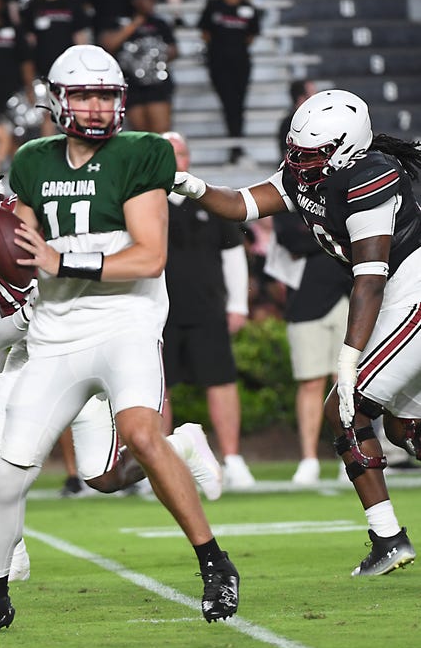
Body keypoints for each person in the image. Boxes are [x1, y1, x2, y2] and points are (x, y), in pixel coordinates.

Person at [0, 45, 239, 635]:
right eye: (84, 95)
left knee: (138, 434)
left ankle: (215, 562)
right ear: (58, 99)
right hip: (55, 333)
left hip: (125, 321)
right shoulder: (31, 160)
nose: (99, 107)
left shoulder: (143, 152)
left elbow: (149, 257)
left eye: (107, 94)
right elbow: (24, 251)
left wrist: (59, 258)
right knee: (8, 474)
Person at [0, 147, 224, 583]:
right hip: (29, 350)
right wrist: (31, 313)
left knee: (102, 477)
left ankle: (182, 446)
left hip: (80, 337)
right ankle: (13, 557)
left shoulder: (38, 211)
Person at [173, 88, 421, 576]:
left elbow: (369, 280)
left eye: (311, 154)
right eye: (296, 150)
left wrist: (347, 362)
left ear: (346, 147)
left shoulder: (370, 176)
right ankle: (389, 538)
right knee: (403, 428)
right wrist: (192, 186)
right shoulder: (309, 172)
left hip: (409, 288)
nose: (298, 162)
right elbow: (244, 204)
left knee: (345, 409)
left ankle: (389, 538)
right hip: (394, 293)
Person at [268, 79, 352, 485]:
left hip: (349, 290)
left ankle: (351, 451)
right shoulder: (289, 180)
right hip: (309, 294)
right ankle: (307, 458)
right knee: (310, 380)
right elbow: (289, 235)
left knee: (348, 379)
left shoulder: (350, 178)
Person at [161, 131, 255, 490]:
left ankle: (233, 459)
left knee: (221, 382)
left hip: (208, 309)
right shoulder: (142, 202)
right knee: (157, 388)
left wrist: (237, 305)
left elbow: (234, 256)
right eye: (167, 154)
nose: (175, 160)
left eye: (180, 153)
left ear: (188, 160)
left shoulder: (212, 200)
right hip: (158, 315)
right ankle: (161, 465)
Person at [99, 0, 178, 133]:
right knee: (140, 131)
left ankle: (160, 155)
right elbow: (108, 45)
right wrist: (134, 24)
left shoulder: (159, 24)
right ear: (135, 1)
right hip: (131, 83)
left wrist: (156, 54)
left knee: (161, 130)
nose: (152, 2)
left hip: (156, 82)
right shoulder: (119, 23)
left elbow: (174, 51)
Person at [198, 0, 261, 164]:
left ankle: (236, 145)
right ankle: (236, 145)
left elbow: (251, 35)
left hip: (241, 63)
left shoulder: (249, 7)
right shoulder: (213, 6)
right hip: (218, 63)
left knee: (238, 103)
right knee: (229, 102)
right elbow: (205, 32)